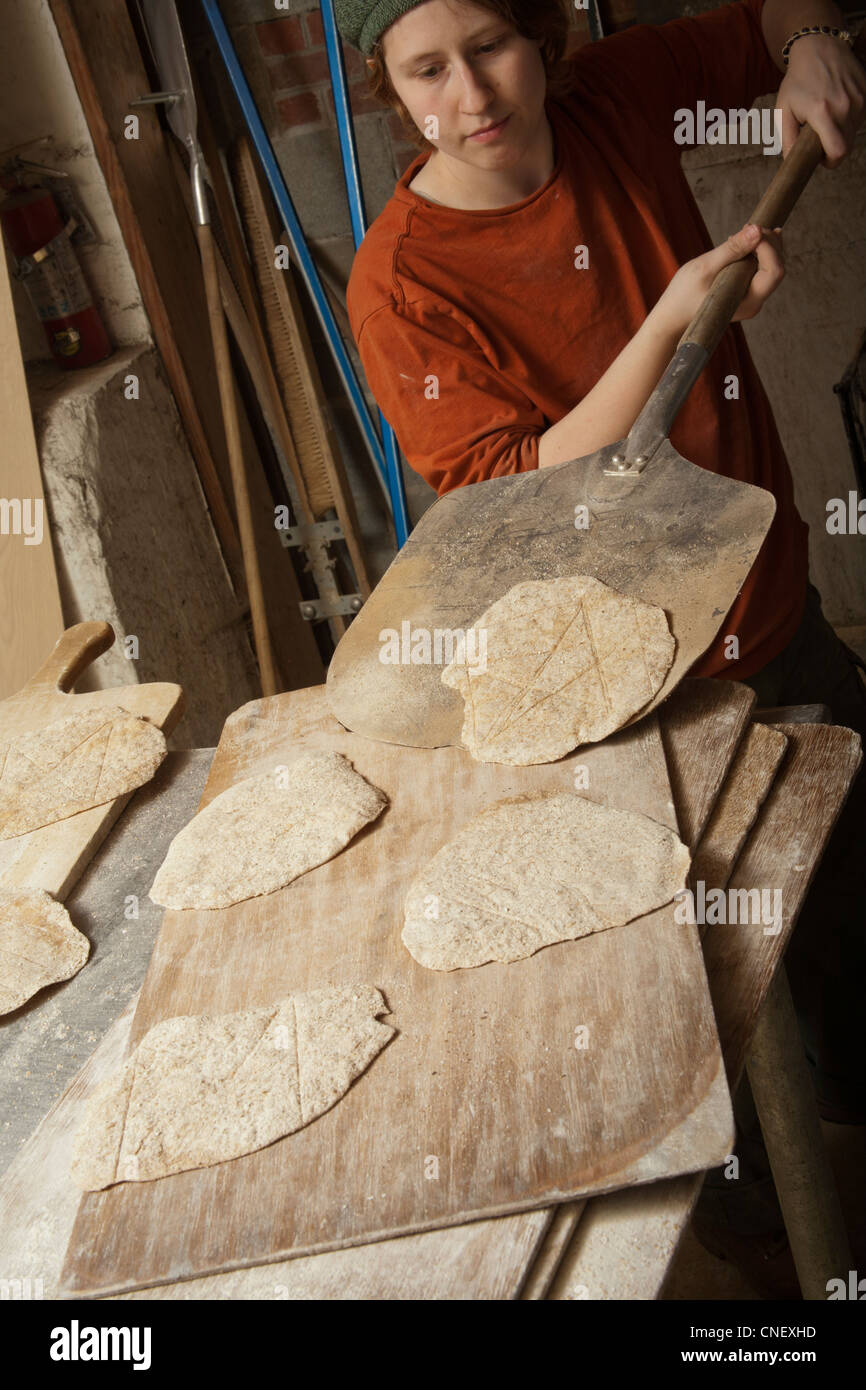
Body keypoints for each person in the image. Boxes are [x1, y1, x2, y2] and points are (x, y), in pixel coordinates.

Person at [334, 0, 866, 1286]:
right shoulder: (400, 280)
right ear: (391, 91)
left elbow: (767, 17)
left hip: (770, 610)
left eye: (490, 46)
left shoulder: (612, 99)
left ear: (541, 40)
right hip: (625, 703)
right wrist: (670, 323)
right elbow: (508, 492)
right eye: (425, 69)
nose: (470, 91)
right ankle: (782, 1273)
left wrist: (811, 40)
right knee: (719, 1025)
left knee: (856, 916)